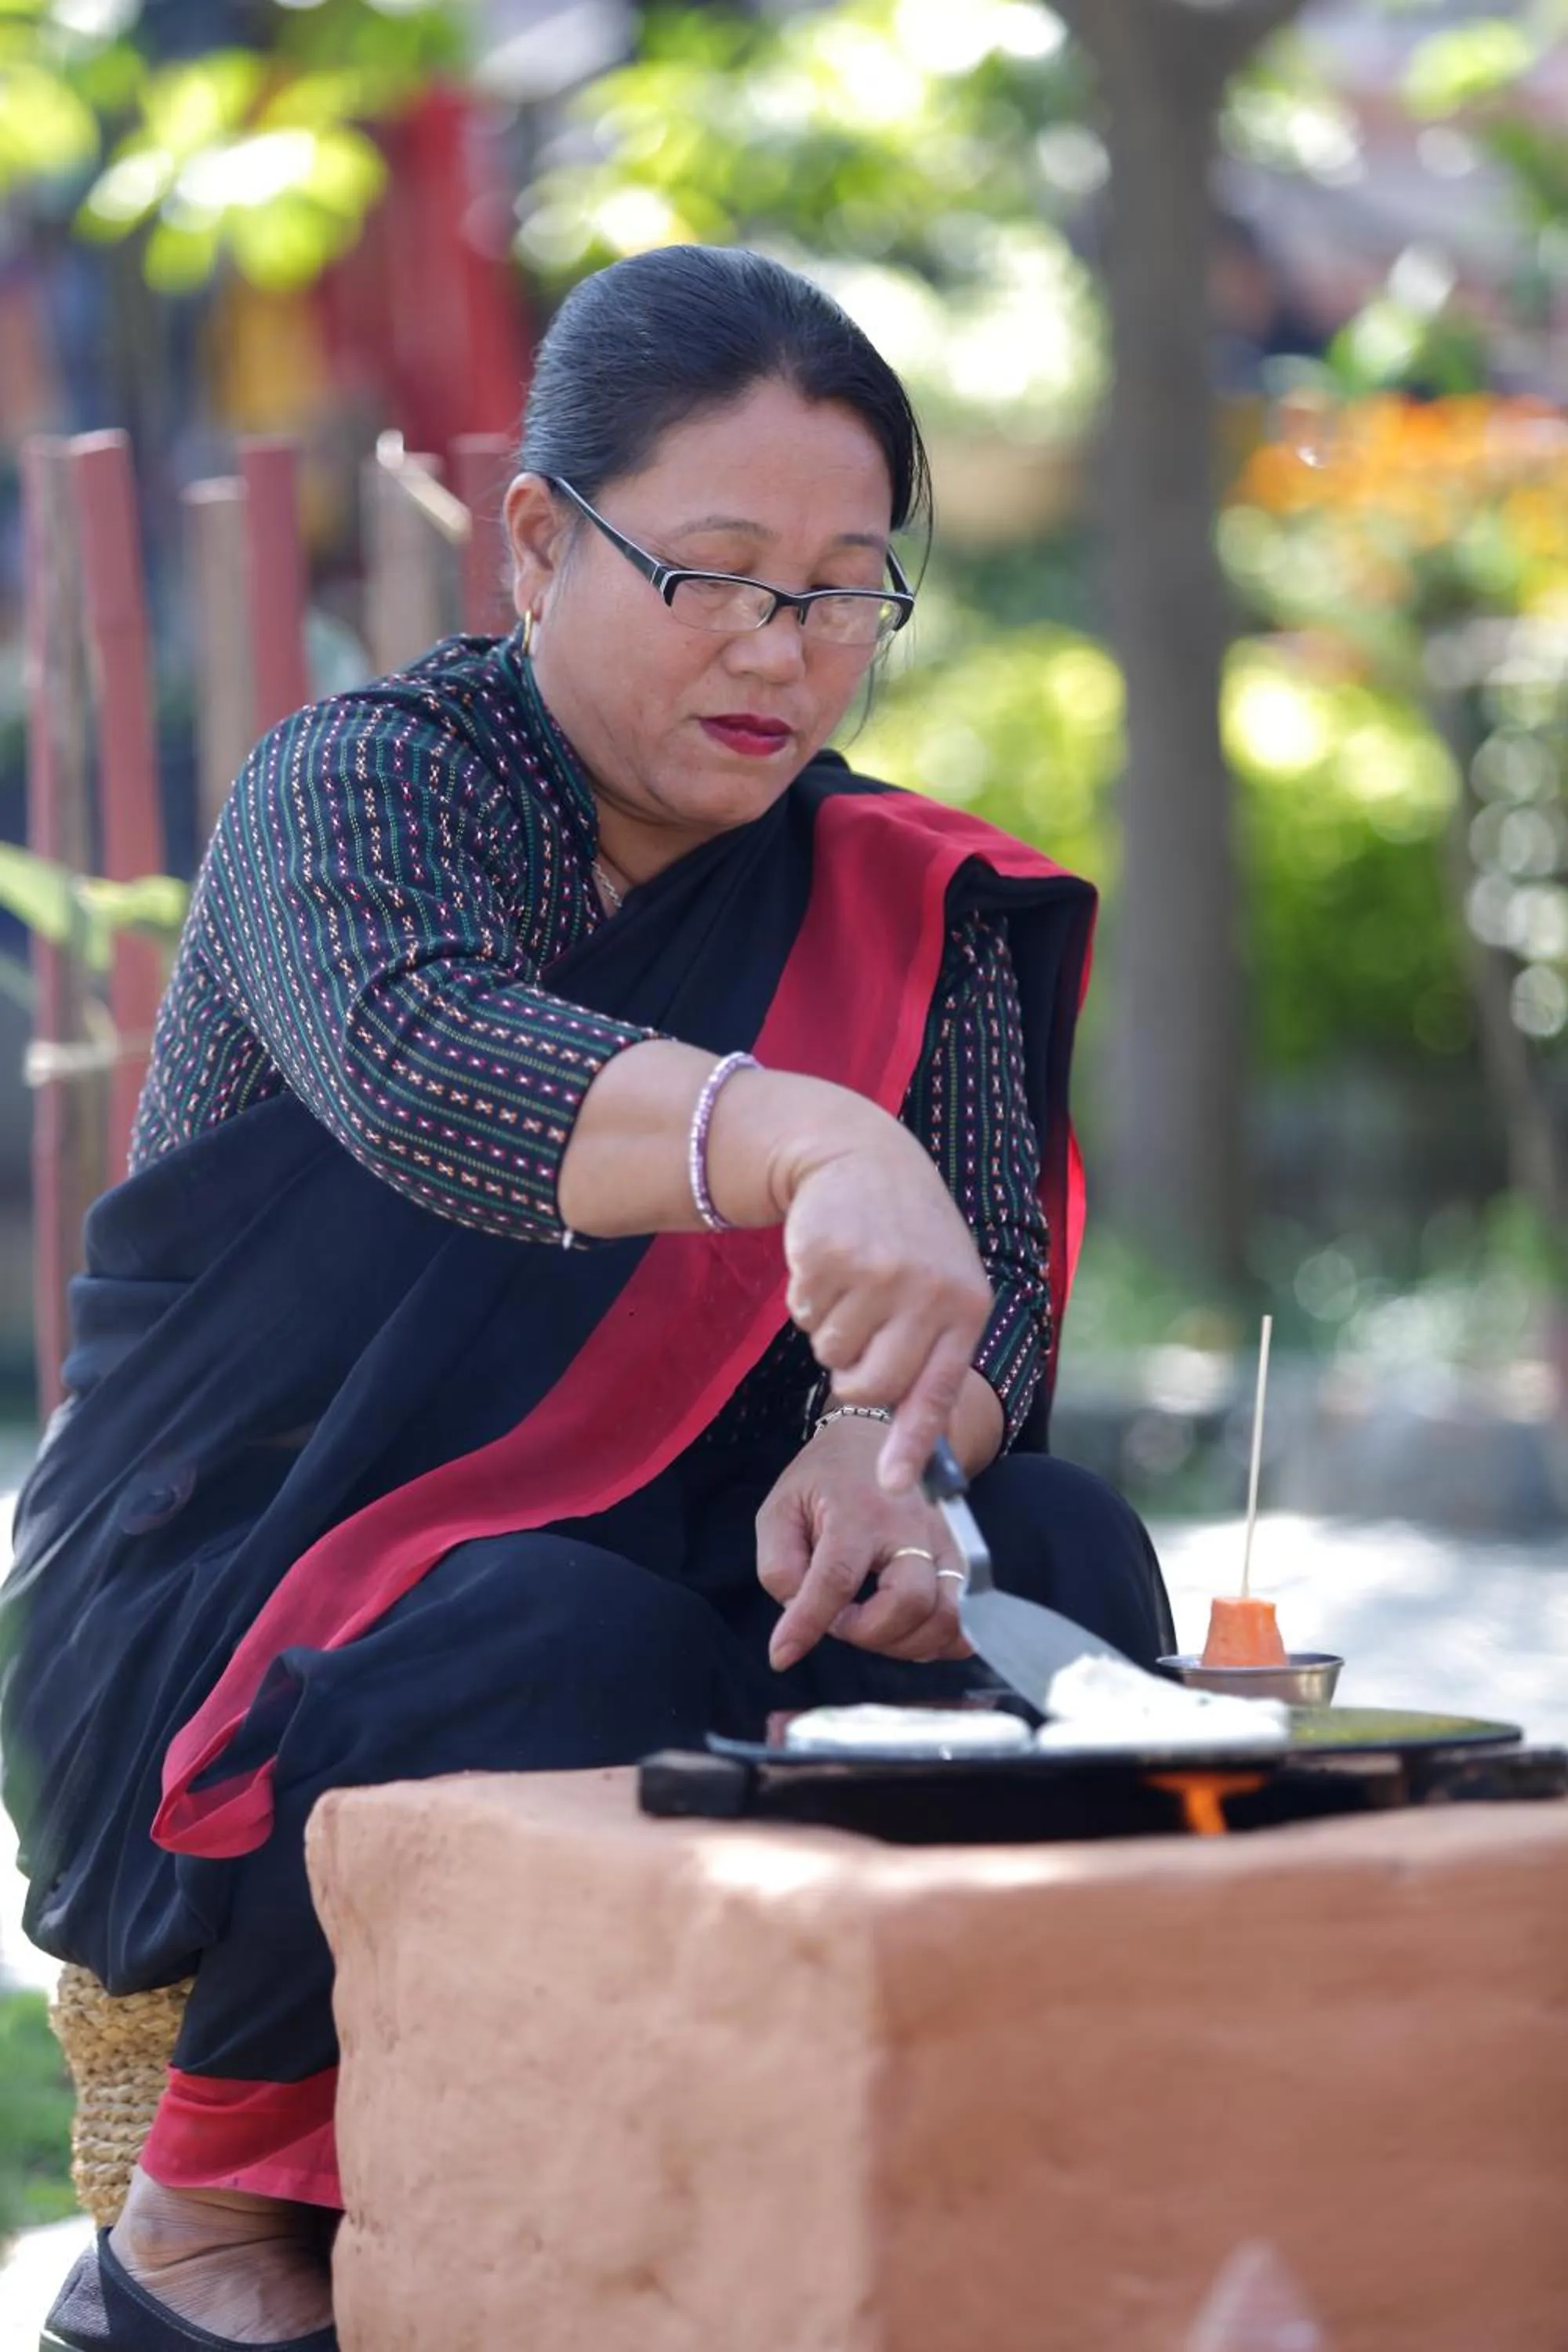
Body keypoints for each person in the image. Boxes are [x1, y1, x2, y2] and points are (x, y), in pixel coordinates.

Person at [3, 245, 1172, 2352]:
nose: (778, 649)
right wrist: (800, 1134)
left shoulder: (904, 893)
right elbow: (426, 1067)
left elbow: (986, 1298)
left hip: (703, 1543)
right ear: (539, 543)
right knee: (560, 1631)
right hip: (261, 1575)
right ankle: (209, 2212)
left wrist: (880, 1446)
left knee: (1056, 1556)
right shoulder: (368, 791)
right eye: (712, 574)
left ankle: (963, 2159)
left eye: (839, 593)